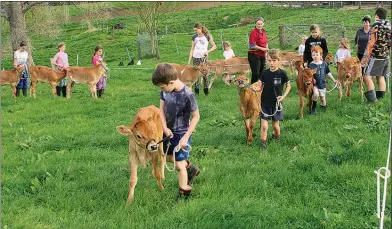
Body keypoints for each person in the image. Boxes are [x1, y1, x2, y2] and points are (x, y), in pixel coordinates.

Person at [151, 63, 201, 202]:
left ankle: (183, 194)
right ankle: (190, 168)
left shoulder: (187, 94)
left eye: (162, 87)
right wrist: (164, 127)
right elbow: (161, 109)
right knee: (167, 158)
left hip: (181, 134)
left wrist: (185, 137)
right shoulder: (165, 91)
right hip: (167, 132)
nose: (162, 90)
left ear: (171, 82)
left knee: (179, 165)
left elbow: (196, 116)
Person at [252, 49, 291, 149]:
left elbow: (288, 86)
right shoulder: (264, 73)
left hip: (276, 104)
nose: (271, 63)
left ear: (278, 60)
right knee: (264, 126)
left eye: (274, 60)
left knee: (275, 126)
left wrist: (283, 96)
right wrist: (256, 88)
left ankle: (277, 137)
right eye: (269, 60)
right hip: (265, 103)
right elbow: (260, 85)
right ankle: (263, 144)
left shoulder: (282, 73)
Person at [361, 7, 391, 102]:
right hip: (386, 57)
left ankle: (373, 101)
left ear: (376, 16)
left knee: (366, 76)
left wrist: (364, 59)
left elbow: (370, 43)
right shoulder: (389, 26)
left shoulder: (375, 26)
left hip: (376, 57)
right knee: (380, 76)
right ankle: (380, 99)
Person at [187, 23, 216, 95]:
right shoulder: (194, 37)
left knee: (205, 74)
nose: (195, 32)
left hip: (203, 58)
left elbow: (214, 46)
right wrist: (189, 60)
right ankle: (196, 91)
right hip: (195, 58)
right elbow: (192, 49)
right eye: (194, 31)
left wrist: (208, 52)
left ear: (200, 28)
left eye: (196, 30)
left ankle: (206, 91)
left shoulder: (207, 36)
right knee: (195, 74)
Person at [309, 46, 340, 114]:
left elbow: (328, 72)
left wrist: (334, 80)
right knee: (316, 94)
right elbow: (309, 74)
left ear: (321, 55)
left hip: (322, 84)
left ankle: (324, 108)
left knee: (323, 99)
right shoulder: (311, 64)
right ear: (311, 56)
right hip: (315, 85)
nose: (315, 56)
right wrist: (312, 80)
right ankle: (313, 109)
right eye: (313, 55)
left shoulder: (324, 64)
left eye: (317, 55)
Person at [248, 17, 269, 84]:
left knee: (262, 72)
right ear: (255, 24)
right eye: (258, 24)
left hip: (262, 54)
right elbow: (252, 45)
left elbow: (266, 42)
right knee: (256, 73)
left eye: (261, 24)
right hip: (254, 55)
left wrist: (266, 49)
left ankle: (260, 88)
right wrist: (262, 49)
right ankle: (252, 87)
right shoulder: (253, 32)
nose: (259, 25)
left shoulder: (264, 32)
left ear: (263, 24)